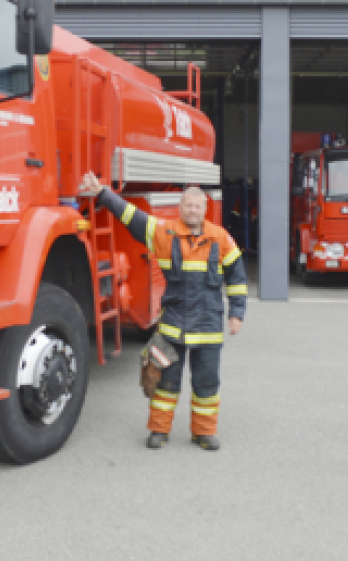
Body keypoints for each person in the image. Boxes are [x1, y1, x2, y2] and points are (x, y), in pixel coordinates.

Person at [80, 172, 247, 451]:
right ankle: (159, 430)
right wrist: (102, 194)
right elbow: (132, 216)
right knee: (166, 383)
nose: (192, 210)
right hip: (173, 327)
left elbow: (237, 277)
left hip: (207, 328)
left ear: (205, 209)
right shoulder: (164, 233)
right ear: (180, 208)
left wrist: (237, 313)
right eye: (187, 206)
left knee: (207, 384)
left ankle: (203, 433)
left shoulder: (221, 238)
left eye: (197, 206)